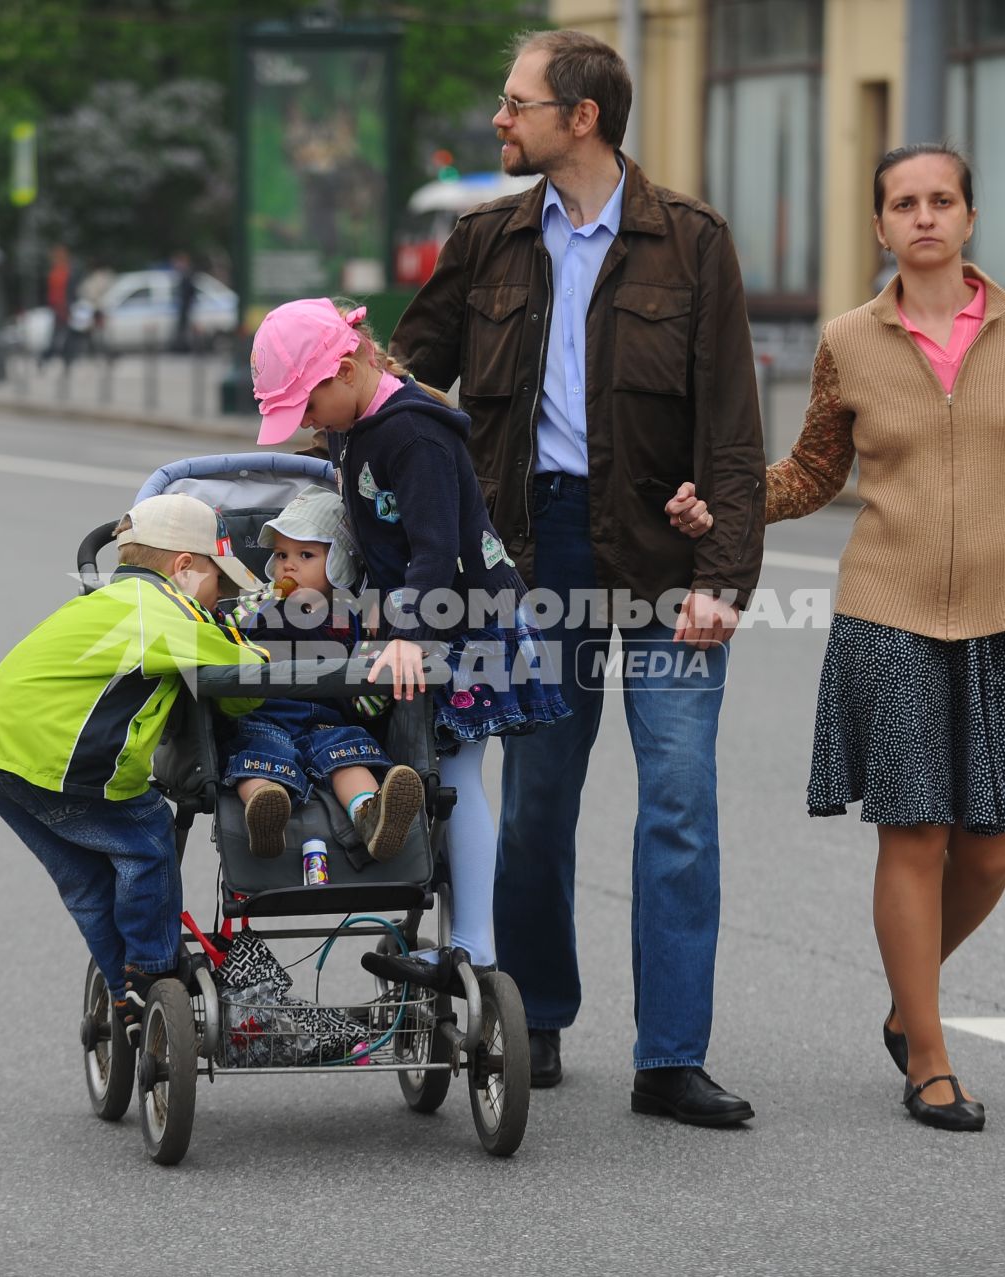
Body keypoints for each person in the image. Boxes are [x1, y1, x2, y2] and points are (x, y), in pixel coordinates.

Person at [389, 29, 765, 1126]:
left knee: (681, 803)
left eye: (516, 104)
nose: (499, 121)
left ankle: (670, 1058)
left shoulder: (692, 243)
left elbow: (735, 436)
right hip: (528, 558)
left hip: (659, 556)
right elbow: (406, 396)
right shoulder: (486, 239)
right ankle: (533, 1015)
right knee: (538, 803)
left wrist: (724, 574)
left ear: (582, 116)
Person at [676, 144, 1005, 1132]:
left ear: (970, 217)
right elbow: (813, 470)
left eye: (942, 199)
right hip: (886, 610)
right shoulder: (849, 341)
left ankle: (910, 994)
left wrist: (982, 526)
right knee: (918, 832)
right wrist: (723, 508)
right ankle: (930, 1057)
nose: (925, 215)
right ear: (881, 225)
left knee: (996, 840)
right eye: (905, 202)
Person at [248, 297, 571, 990]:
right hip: (420, 619)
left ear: (345, 367)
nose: (304, 421)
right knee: (434, 775)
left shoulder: (414, 436)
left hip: (464, 617)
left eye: (306, 404)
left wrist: (410, 637)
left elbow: (433, 548)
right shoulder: (354, 424)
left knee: (454, 778)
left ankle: (476, 949)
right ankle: (461, 939)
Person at [0, 492, 269, 1034]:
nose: (220, 596)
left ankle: (123, 993)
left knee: (87, 882)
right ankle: (152, 974)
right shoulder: (165, 612)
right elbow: (246, 688)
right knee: (147, 836)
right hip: (58, 758)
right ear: (184, 567)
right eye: (218, 582)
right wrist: (244, 639)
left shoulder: (109, 600)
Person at [221, 485, 425, 862]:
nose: (288, 566)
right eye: (281, 555)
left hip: (329, 724)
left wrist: (374, 687)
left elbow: (365, 703)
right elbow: (224, 643)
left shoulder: (356, 621)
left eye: (305, 555)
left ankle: (371, 815)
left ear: (339, 565)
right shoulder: (259, 603)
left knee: (349, 757)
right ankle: (266, 809)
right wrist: (246, 616)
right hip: (268, 717)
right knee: (260, 757)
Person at [171, 251, 198, 353]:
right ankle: (182, 346)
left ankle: (184, 347)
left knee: (185, 329)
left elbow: (190, 291)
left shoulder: (187, 275)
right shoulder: (184, 274)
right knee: (183, 328)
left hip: (186, 307)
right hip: (185, 307)